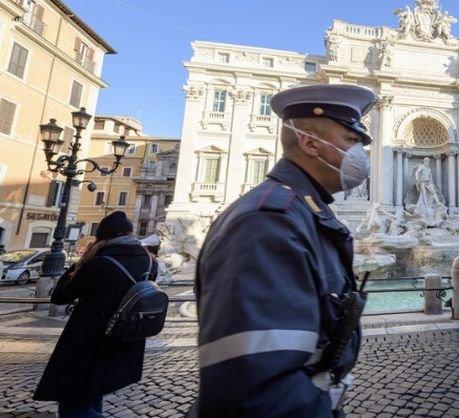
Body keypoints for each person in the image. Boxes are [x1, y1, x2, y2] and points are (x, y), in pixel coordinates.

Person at [190, 84, 376, 417]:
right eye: (351, 140)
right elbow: (258, 389)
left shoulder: (303, 213)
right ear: (310, 143)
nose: (360, 153)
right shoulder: (269, 223)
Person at [34, 211, 157, 417]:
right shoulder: (150, 262)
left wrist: (78, 264)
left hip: (87, 344)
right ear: (130, 233)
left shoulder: (99, 263)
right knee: (93, 394)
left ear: (102, 237)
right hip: (123, 341)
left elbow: (60, 296)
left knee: (73, 410)